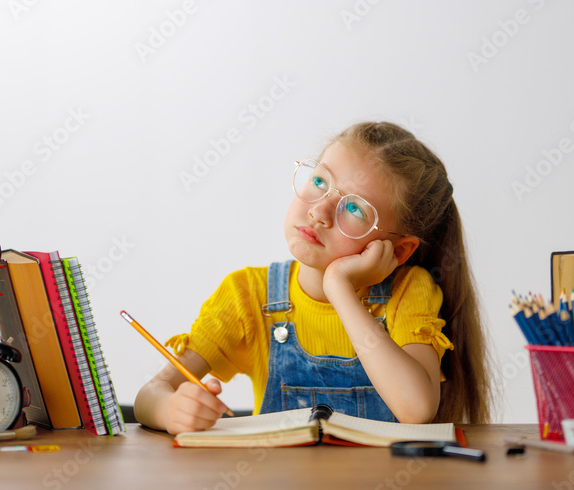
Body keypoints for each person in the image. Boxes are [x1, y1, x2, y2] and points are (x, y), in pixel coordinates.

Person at [135, 121, 492, 434]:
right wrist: (172, 410)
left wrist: (338, 287)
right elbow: (149, 396)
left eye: (354, 208)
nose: (319, 211)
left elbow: (416, 409)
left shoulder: (408, 292)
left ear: (398, 251)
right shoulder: (247, 295)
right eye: (319, 181)